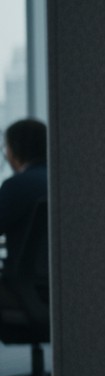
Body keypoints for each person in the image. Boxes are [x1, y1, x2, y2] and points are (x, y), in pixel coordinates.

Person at [0, 118, 48, 279]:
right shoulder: (61, 183)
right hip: (57, 282)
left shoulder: (16, 185)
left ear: (13, 150)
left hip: (21, 287)